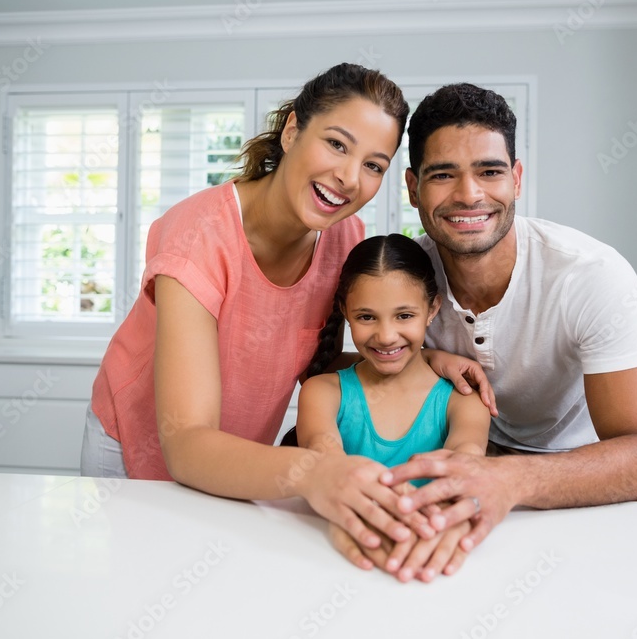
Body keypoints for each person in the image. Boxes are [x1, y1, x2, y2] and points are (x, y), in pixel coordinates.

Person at [81, 64, 491, 553]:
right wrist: (315, 472)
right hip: (138, 447)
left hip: (238, 455)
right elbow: (187, 442)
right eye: (337, 144)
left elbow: (315, 364)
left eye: (373, 165)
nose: (347, 177)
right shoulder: (197, 238)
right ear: (293, 130)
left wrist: (429, 361)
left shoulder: (344, 239)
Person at [327, 83, 637, 577]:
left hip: (573, 485)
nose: (469, 194)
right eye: (443, 174)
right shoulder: (405, 278)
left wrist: (507, 478)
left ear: (515, 178)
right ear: (412, 188)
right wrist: (430, 360)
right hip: (450, 480)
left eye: (489, 171)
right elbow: (335, 367)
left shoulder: (590, 275)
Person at [296, 234, 491, 581]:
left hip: (430, 557)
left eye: (403, 315)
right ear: (345, 311)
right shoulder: (322, 393)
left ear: (432, 309)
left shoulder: (462, 398)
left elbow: (467, 457)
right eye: (367, 317)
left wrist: (430, 523)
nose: (386, 336)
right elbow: (324, 456)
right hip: (334, 564)